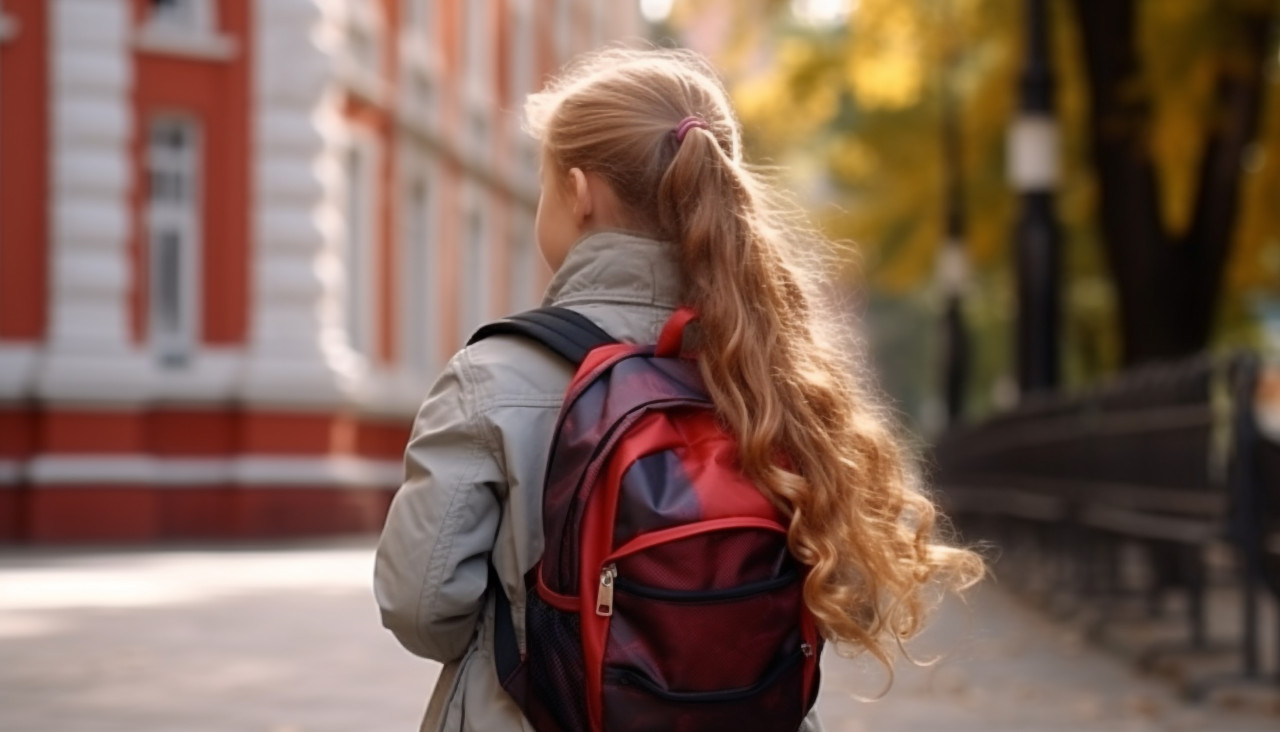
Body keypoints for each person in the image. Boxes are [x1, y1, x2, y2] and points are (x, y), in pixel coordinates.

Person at [374, 46, 984, 732]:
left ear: (579, 194)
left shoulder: (493, 377)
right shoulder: (774, 372)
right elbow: (854, 596)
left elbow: (419, 605)